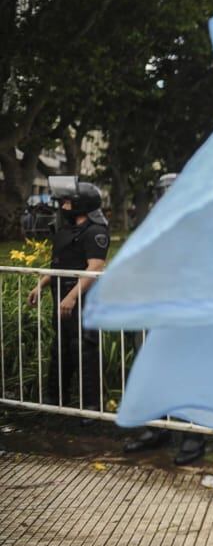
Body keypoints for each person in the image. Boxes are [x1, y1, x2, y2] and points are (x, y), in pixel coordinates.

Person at [121, 172, 206, 465]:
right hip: (156, 309)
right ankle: (157, 429)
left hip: (187, 311)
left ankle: (192, 434)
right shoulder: (155, 225)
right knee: (153, 369)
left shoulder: (199, 225)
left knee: (189, 373)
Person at [27, 177, 110, 413]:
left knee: (84, 350)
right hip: (61, 299)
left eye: (67, 202)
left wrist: (72, 296)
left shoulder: (96, 231)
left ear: (82, 204)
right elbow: (58, 265)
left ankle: (92, 407)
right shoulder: (66, 231)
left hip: (82, 301)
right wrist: (41, 286)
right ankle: (56, 401)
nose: (63, 205)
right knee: (60, 349)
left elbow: (95, 267)